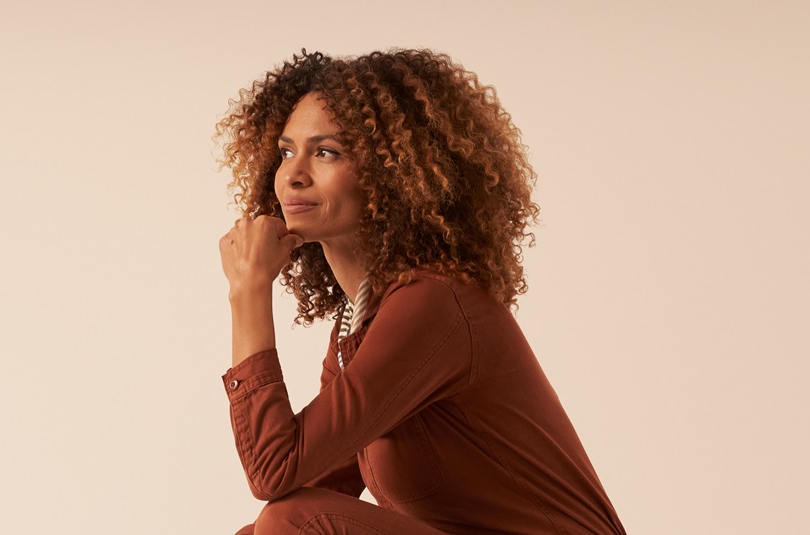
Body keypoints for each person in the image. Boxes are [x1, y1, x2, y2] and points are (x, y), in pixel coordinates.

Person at [215, 49, 625, 534]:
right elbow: (299, 476)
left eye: (326, 152)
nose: (293, 174)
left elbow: (274, 473)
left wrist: (248, 289)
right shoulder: (361, 325)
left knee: (296, 521)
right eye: (286, 151)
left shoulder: (432, 303)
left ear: (391, 176)